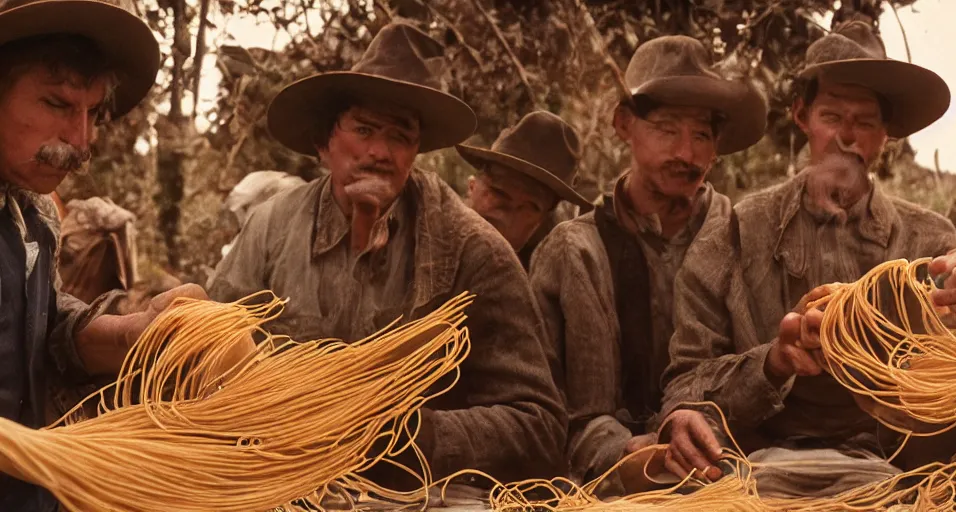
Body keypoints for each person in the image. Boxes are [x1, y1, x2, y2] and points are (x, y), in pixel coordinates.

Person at [206, 22, 567, 499]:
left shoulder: (472, 249)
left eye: (400, 136)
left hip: (414, 495)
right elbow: (208, 358)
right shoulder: (271, 227)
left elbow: (538, 424)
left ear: (416, 150)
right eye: (364, 130)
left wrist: (404, 434)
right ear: (324, 142)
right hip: (273, 476)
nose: (380, 152)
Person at [657, 21, 956, 496]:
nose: (848, 138)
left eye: (865, 122)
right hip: (750, 478)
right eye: (832, 117)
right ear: (802, 116)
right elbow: (684, 387)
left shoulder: (930, 241)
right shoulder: (738, 234)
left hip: (894, 477)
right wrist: (774, 362)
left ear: (887, 135)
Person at [0, 1, 219, 510]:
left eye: (94, 112)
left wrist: (137, 334)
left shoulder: (33, 217)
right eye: (57, 104)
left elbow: (43, 327)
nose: (81, 141)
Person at [526, 35, 767, 492]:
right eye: (666, 128)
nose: (686, 153)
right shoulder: (575, 252)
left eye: (701, 135)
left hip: (735, 477)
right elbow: (547, 404)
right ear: (624, 124)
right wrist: (623, 453)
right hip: (607, 486)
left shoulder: (748, 242)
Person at [459, 110, 591, 268]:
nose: (506, 216)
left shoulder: (543, 282)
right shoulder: (429, 233)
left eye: (528, 207)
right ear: (472, 187)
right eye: (499, 192)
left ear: (538, 223)